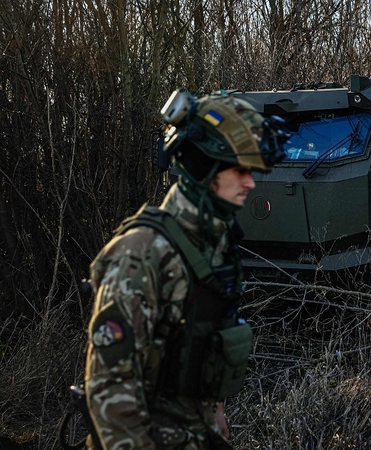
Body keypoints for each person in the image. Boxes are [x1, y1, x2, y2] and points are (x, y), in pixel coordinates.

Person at [84, 90, 289, 449]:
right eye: (239, 170)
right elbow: (110, 395)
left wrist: (215, 416)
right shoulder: (143, 253)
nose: (251, 182)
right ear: (203, 167)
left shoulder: (213, 243)